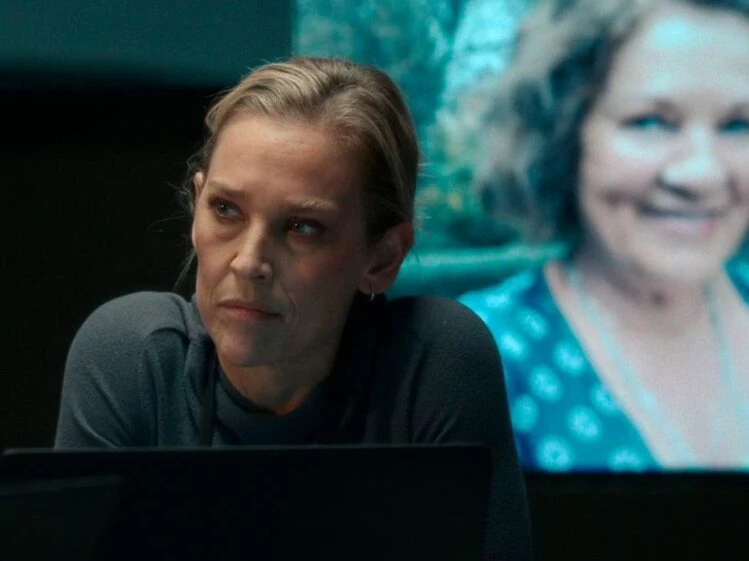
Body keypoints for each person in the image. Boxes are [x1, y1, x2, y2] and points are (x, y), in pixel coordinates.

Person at [54, 56, 531, 559]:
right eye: (225, 210)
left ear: (383, 256)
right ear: (196, 209)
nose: (248, 262)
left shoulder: (434, 362)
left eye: (302, 227)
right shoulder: (132, 357)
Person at [459, 0, 749, 472]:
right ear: (563, 135)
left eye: (739, 125)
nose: (702, 174)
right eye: (650, 121)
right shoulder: (471, 361)